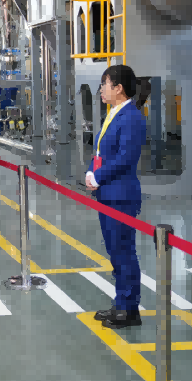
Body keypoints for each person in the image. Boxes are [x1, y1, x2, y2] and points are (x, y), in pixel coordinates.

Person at [85, 64, 147, 329]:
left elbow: (125, 158)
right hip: (108, 193)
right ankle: (120, 302)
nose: (101, 89)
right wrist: (91, 171)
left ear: (118, 88)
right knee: (115, 251)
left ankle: (129, 308)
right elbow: (101, 151)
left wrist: (98, 176)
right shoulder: (114, 114)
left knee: (123, 252)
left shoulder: (131, 118)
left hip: (121, 194)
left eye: (105, 84)